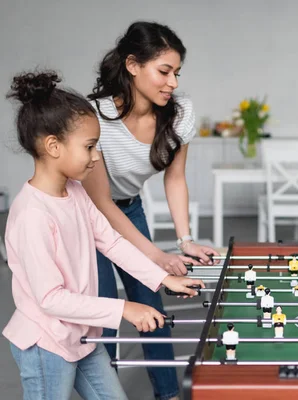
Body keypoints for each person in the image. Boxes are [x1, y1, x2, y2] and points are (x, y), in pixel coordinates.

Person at [2, 71, 202, 399]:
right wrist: (124, 309)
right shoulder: (31, 215)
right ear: (53, 146)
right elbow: (50, 299)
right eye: (90, 147)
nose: (97, 157)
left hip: (83, 338)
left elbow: (110, 241)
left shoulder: (77, 193)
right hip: (46, 344)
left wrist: (162, 279)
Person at [83, 21, 219, 400]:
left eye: (176, 73)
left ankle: (168, 393)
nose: (173, 82)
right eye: (164, 71)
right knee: (109, 312)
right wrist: (155, 254)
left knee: (151, 303)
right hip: (89, 216)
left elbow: (174, 178)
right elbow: (101, 204)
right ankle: (104, 394)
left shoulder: (179, 114)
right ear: (132, 65)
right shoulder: (94, 117)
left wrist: (185, 240)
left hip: (130, 208)